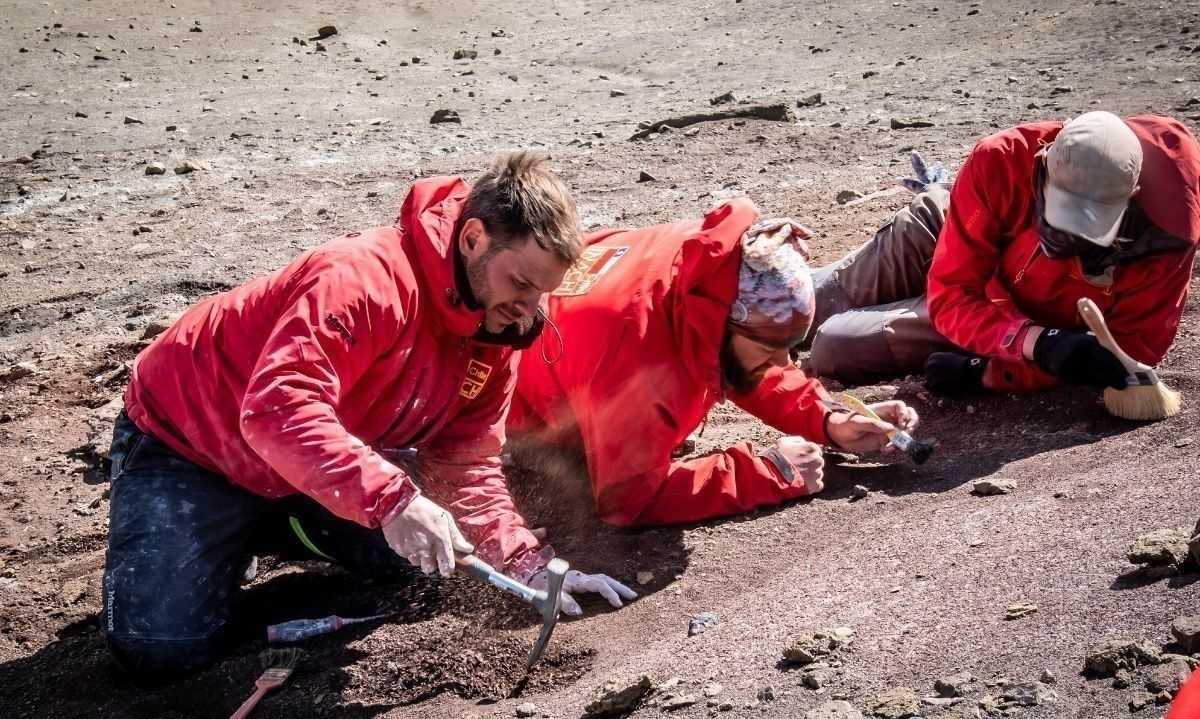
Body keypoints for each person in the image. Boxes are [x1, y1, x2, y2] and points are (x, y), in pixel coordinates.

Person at [102, 152, 634, 683]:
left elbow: (466, 460)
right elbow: (276, 407)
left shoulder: (497, 328)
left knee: (436, 559)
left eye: (542, 291)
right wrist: (390, 499)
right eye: (520, 282)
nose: (529, 306)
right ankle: (237, 531)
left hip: (317, 458)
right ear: (473, 238)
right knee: (159, 650)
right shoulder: (365, 278)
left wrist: (526, 566)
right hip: (193, 450)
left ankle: (283, 524)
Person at [506, 201, 919, 528]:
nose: (784, 362)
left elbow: (740, 362)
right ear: (723, 324)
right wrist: (771, 470)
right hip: (521, 413)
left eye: (789, 346)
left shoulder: (709, 263)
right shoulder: (640, 364)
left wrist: (829, 419)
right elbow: (627, 499)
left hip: (574, 347)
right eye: (770, 348)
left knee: (736, 362)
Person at [803, 111, 1200, 395]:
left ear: (1130, 199)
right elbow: (952, 292)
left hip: (1003, 317)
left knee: (833, 346)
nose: (1063, 235)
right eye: (1059, 212)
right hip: (954, 246)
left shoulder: (1165, 235)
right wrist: (1039, 344)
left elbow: (1132, 348)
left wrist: (991, 372)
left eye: (1087, 225)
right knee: (799, 306)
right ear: (1043, 162)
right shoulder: (1004, 158)